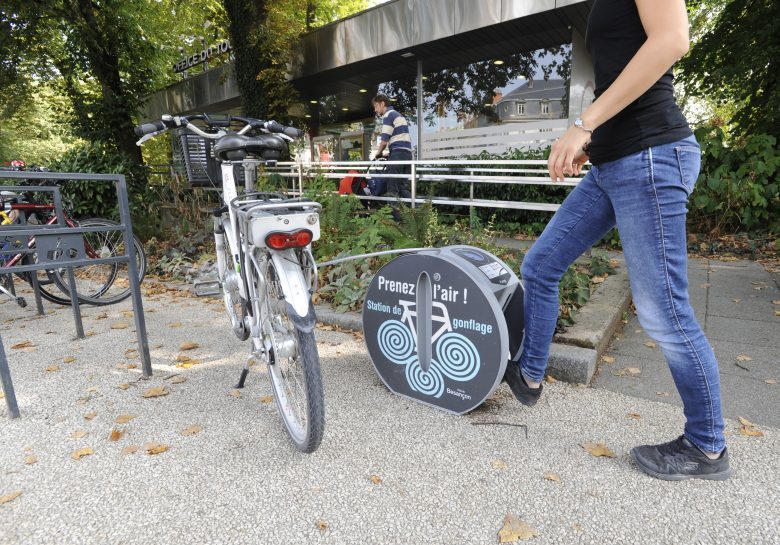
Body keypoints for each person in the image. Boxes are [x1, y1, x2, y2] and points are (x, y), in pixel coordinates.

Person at [504, 0, 731, 481]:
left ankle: (707, 446)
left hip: (650, 156)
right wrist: (595, 141)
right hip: (615, 163)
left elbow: (671, 40)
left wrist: (583, 124)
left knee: (664, 311)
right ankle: (530, 375)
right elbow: (622, 71)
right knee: (541, 264)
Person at [371, 95, 412, 198]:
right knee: (402, 188)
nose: (375, 109)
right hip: (407, 154)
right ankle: (419, 211)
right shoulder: (398, 115)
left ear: (382, 103)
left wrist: (378, 153)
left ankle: (394, 214)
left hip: (398, 155)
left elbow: (384, 142)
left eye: (376, 106)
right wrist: (390, 153)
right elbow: (401, 141)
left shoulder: (388, 115)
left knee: (392, 189)